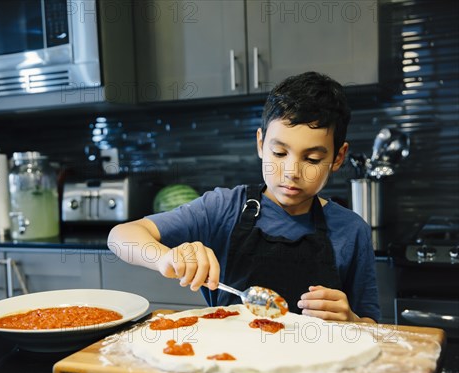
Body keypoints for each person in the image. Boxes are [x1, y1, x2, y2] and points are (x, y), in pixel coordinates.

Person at [108, 71, 380, 323]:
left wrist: (353, 322)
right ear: (261, 144)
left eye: (311, 159)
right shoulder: (224, 208)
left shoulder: (351, 230)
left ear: (338, 157)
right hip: (229, 365)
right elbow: (121, 236)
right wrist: (164, 259)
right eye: (279, 153)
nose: (291, 172)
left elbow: (373, 327)